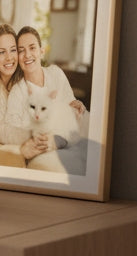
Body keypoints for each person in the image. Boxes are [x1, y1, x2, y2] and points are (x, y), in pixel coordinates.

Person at [16, 25, 88, 173]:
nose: (27, 55)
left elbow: (72, 106)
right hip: (51, 142)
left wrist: (76, 104)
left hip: (74, 132)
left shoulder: (55, 73)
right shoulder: (19, 90)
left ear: (41, 52)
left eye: (32, 48)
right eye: (21, 50)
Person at [0, 24, 48, 161]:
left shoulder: (20, 82)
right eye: (2, 52)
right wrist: (33, 134)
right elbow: (0, 130)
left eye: (13, 50)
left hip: (22, 145)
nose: (9, 58)